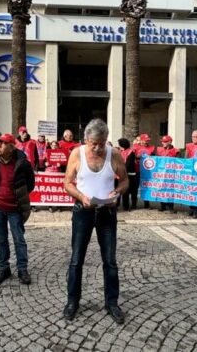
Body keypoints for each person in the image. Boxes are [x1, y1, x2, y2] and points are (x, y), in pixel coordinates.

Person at [62, 119, 129, 324]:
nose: (98, 148)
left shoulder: (114, 154)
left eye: (102, 143)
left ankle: (111, 302)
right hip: (83, 211)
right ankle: (72, 301)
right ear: (86, 140)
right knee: (76, 259)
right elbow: (67, 183)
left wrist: (117, 192)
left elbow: (125, 180)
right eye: (94, 144)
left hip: (107, 212)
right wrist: (81, 197)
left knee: (110, 261)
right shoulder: (77, 153)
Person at [0, 133, 36, 285]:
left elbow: (30, 184)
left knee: (19, 239)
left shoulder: (22, 163)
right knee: (1, 240)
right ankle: (3, 268)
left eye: (3, 143)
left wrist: (18, 196)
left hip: (15, 208)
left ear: (11, 147)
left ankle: (22, 269)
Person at [156, 135, 180, 212]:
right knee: (161, 188)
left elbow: (179, 162)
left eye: (165, 142)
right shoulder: (159, 150)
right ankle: (162, 205)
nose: (163, 143)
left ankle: (170, 206)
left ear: (170, 142)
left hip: (171, 174)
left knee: (171, 189)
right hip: (161, 173)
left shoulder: (176, 151)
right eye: (162, 141)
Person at [133, 134, 156, 209]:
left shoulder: (152, 148)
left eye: (148, 141)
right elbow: (132, 157)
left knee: (146, 187)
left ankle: (147, 203)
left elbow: (155, 158)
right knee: (135, 188)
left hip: (147, 171)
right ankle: (134, 204)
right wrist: (137, 157)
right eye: (145, 141)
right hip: (137, 170)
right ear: (141, 140)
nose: (147, 142)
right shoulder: (135, 147)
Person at [117, 138, 137, 211]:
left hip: (129, 174)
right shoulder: (120, 152)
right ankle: (118, 205)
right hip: (120, 174)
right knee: (119, 190)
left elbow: (128, 164)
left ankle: (126, 206)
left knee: (127, 191)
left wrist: (122, 171)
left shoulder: (131, 152)